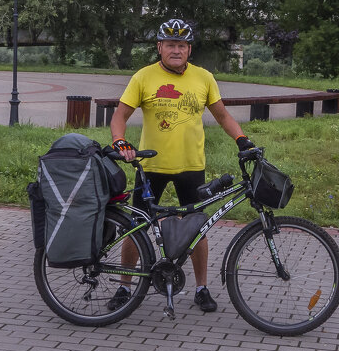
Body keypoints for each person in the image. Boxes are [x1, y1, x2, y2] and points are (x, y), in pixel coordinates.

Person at [108, 18, 254, 313]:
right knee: (136, 227)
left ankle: (201, 288)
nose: (176, 50)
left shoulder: (204, 78)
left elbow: (223, 116)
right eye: (171, 45)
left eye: (182, 45)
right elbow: (119, 116)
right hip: (151, 166)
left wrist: (242, 140)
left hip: (191, 166)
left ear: (189, 49)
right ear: (159, 47)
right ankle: (124, 287)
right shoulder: (143, 77)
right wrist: (120, 141)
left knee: (198, 227)